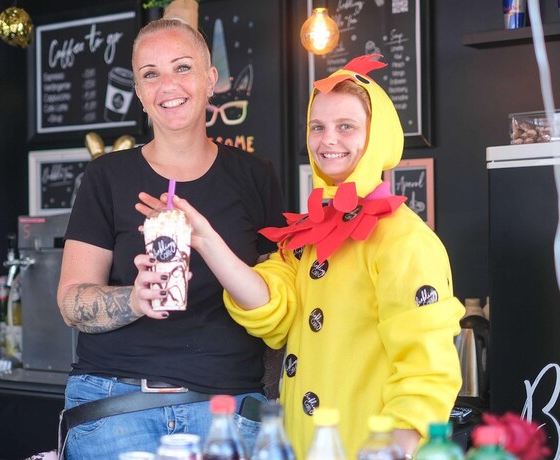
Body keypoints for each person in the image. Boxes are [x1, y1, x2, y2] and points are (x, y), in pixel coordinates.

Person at [137, 54, 463, 459]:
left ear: (377, 136)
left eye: (346, 127)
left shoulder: (404, 238)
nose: (328, 140)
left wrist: (391, 452)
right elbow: (271, 310)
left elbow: (426, 372)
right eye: (317, 127)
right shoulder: (308, 235)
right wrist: (205, 240)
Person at [56, 17, 286, 458]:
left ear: (210, 79)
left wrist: (272, 407)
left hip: (228, 407)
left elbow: (276, 308)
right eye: (150, 74)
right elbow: (70, 302)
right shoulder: (107, 177)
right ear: (140, 94)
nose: (168, 85)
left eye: (182, 67)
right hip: (115, 404)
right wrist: (135, 299)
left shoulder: (254, 177)